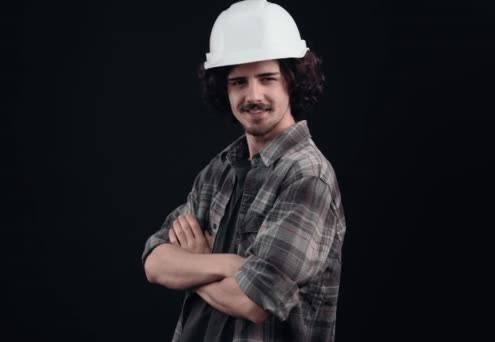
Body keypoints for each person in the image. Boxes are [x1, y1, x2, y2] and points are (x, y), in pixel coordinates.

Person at [142, 0, 346, 341]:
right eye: (239, 82)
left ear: (291, 83)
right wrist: (224, 264)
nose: (253, 95)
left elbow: (252, 300)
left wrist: (195, 262)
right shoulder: (218, 172)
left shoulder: (307, 178)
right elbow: (155, 261)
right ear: (224, 89)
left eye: (267, 78)